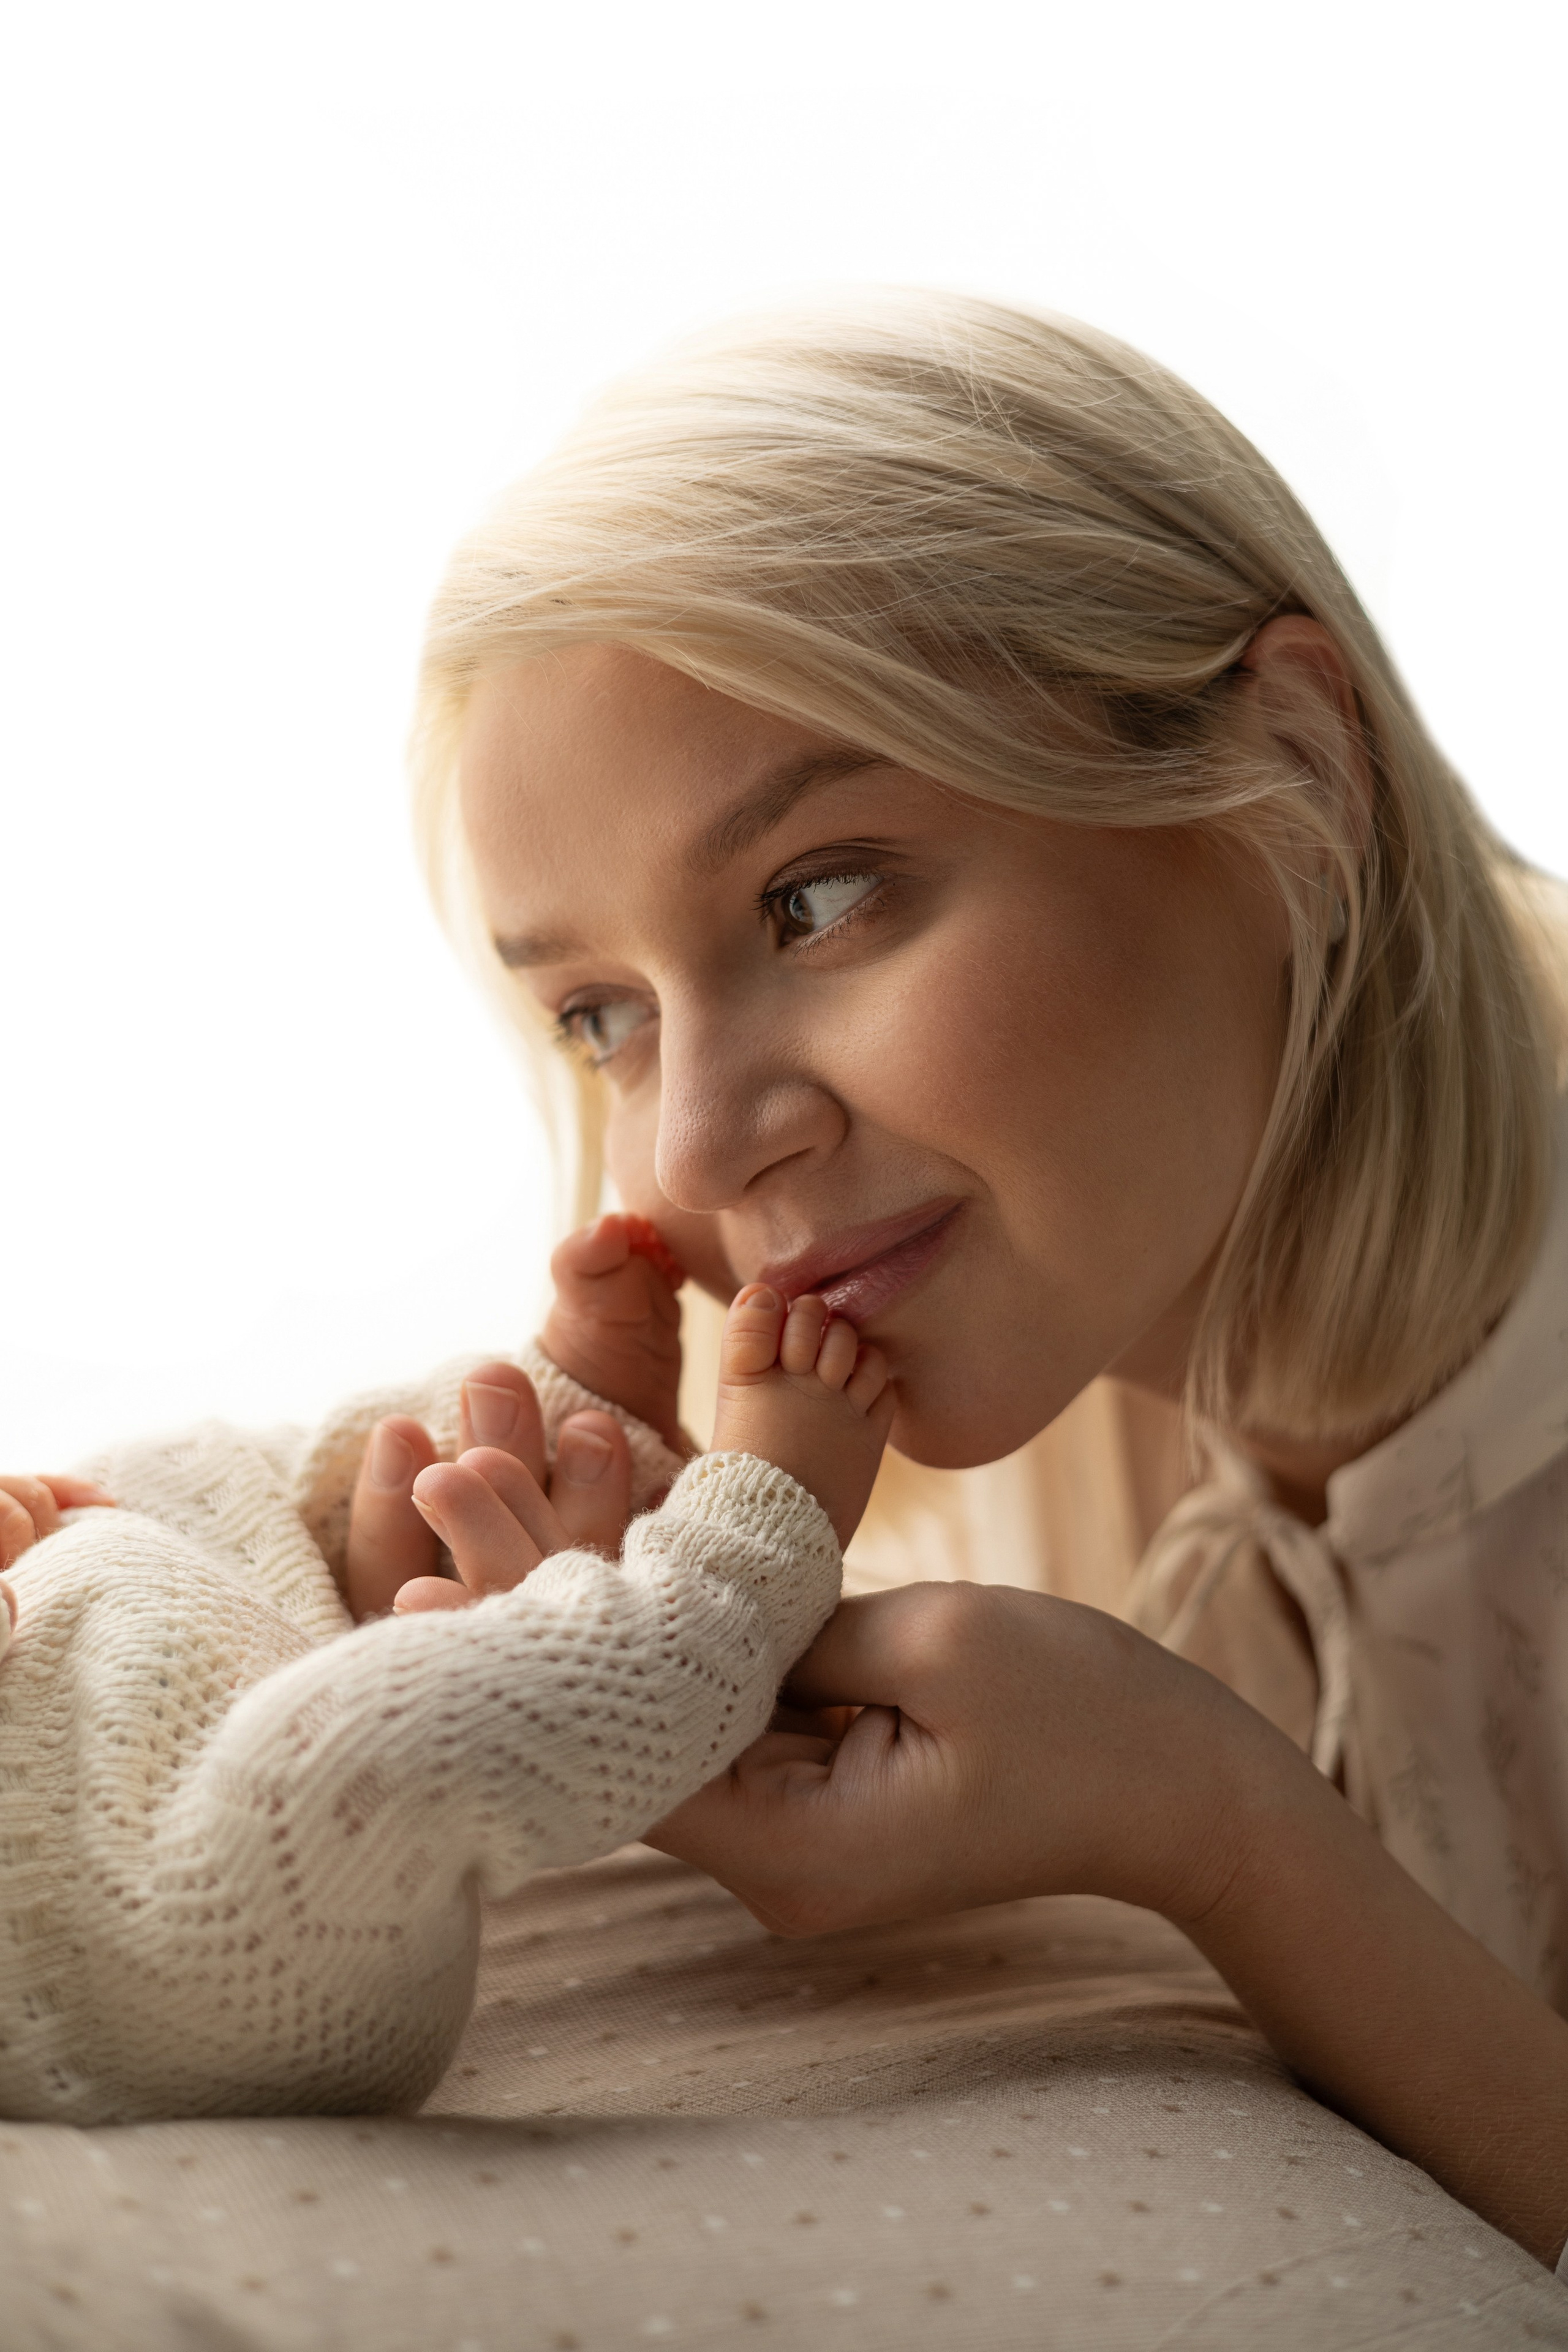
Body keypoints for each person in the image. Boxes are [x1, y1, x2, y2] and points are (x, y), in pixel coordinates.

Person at [387, 290, 1568, 2268]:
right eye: (602, 1014)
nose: (690, 1153)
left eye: (818, 898)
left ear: (1295, 780)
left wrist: (1211, 1828)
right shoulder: (1030, 1398)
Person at [0, 1231, 892, 2121]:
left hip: (97, 1677)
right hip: (179, 1918)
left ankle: (584, 1433)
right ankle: (733, 1564)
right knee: (376, 1740)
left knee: (159, 1481)